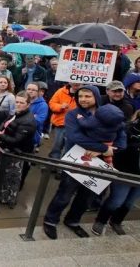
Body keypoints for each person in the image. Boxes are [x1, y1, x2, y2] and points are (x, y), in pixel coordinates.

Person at [43, 85, 126, 240]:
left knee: (87, 197)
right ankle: (50, 220)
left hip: (99, 164)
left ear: (96, 97)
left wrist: (106, 151)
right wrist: (103, 147)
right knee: (64, 194)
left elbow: (122, 139)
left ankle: (73, 221)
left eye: (87, 96)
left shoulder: (109, 113)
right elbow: (76, 138)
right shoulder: (73, 115)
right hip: (75, 160)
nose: (83, 99)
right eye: (80, 96)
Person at [91, 110, 140, 236]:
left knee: (129, 202)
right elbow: (118, 146)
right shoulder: (129, 129)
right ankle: (101, 221)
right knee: (116, 200)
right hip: (124, 171)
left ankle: (116, 221)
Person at [0, 91, 37, 207]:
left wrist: (0, 135)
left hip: (16, 153)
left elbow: (16, 140)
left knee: (11, 179)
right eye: (17, 102)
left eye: (22, 102)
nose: (18, 104)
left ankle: (7, 199)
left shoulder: (28, 121)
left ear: (28, 104)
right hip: (7, 149)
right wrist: (0, 130)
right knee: (4, 176)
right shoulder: (17, 113)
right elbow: (5, 124)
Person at [48, 83, 80, 159]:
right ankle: (53, 163)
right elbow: (52, 104)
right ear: (69, 81)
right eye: (74, 80)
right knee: (57, 145)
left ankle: (63, 167)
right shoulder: (60, 91)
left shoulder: (85, 93)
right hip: (60, 124)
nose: (76, 82)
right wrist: (60, 106)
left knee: (69, 148)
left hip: (75, 126)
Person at [26, 82, 49, 149]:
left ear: (38, 92)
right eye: (29, 89)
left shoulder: (43, 105)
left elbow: (37, 121)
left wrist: (23, 118)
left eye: (33, 90)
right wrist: (32, 116)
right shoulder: (22, 100)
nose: (30, 91)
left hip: (32, 136)